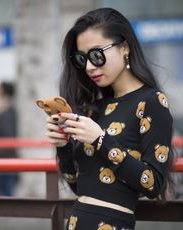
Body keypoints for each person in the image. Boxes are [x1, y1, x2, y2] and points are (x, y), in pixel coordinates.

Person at [45, 8, 174, 230]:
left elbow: (152, 183)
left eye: (96, 55)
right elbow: (79, 186)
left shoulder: (151, 101)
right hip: (75, 222)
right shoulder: (96, 108)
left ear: (125, 48)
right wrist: (63, 145)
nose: (89, 67)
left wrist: (101, 140)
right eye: (81, 58)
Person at [0, 81, 18, 196]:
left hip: (4, 156)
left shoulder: (7, 111)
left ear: (3, 91)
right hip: (2, 155)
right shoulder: (4, 109)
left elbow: (8, 135)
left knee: (2, 189)